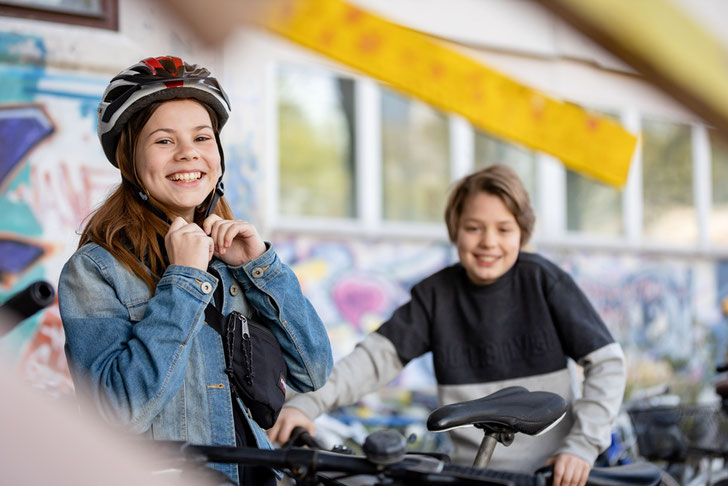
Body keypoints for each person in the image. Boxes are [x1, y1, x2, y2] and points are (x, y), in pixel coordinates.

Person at [58, 56, 333, 485]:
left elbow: (313, 371)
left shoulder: (233, 257)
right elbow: (118, 413)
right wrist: (183, 281)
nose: (188, 152)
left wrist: (260, 267)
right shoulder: (95, 270)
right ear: (130, 159)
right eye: (164, 141)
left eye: (202, 137)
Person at [268, 164, 626, 486]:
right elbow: (372, 361)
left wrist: (581, 446)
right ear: (456, 230)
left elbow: (607, 363)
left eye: (504, 229)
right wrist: (305, 405)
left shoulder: (544, 282)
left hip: (553, 475)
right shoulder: (436, 296)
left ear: (522, 232)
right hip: (473, 474)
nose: (489, 242)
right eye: (474, 228)